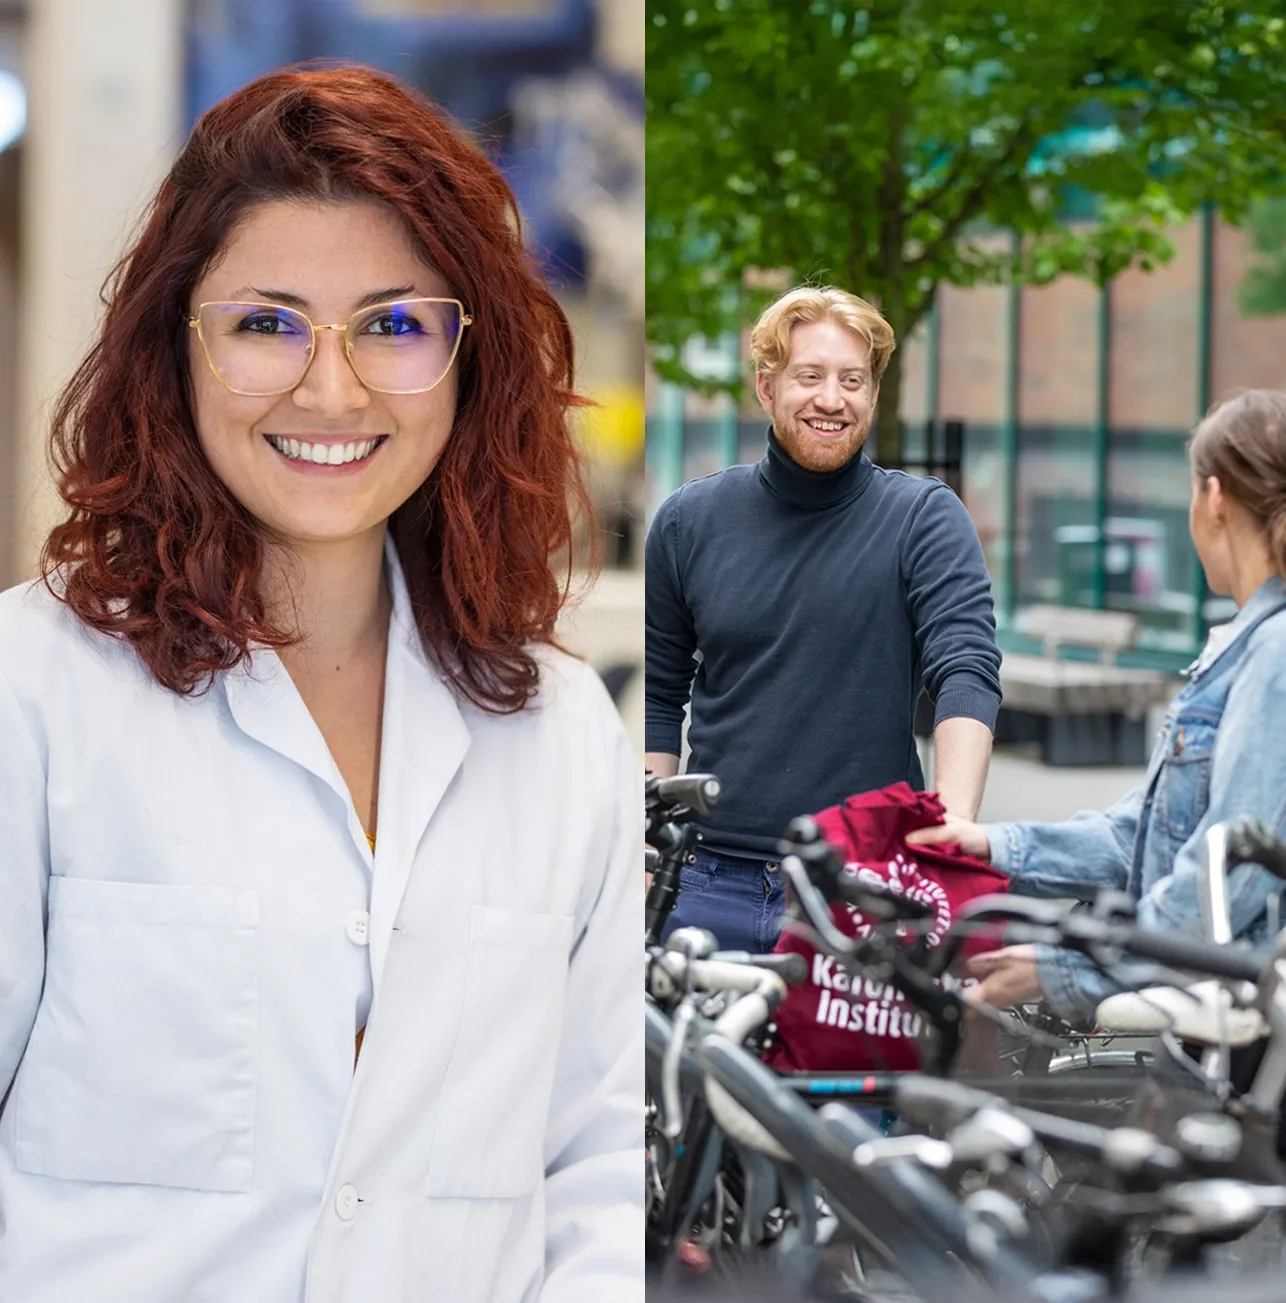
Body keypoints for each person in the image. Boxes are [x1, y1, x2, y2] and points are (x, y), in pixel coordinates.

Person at [0, 67, 641, 1303]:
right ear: (174, 348)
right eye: (266, 323)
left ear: (469, 360)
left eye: (395, 325)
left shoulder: (561, 739)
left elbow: (594, 1172)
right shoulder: (34, 691)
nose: (332, 389)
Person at [908, 389, 1286, 1026]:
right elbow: (1148, 833)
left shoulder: (1275, 652)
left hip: (1234, 1030)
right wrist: (994, 846)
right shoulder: (1245, 644)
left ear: (1214, 499)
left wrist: (1067, 971)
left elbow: (1229, 874)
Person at [645, 285, 1003, 954]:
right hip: (703, 883)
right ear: (766, 387)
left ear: (873, 392)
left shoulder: (923, 519)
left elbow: (967, 670)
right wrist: (643, 845)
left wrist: (951, 832)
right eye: (809, 376)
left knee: (859, 1067)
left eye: (852, 380)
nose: (831, 399)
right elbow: (659, 694)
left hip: (862, 884)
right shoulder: (687, 523)